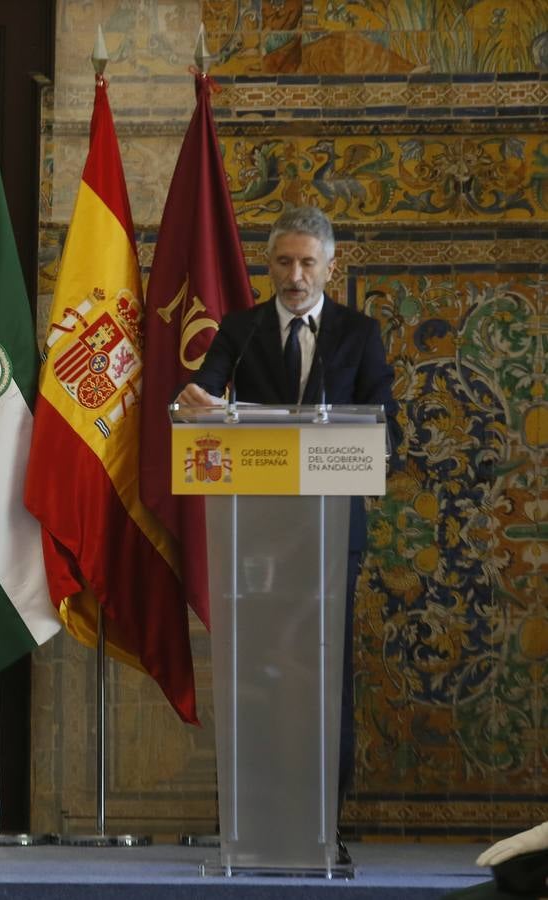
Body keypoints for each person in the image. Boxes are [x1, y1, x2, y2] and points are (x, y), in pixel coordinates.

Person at [175, 205, 402, 857]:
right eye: (283, 262)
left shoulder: (359, 334)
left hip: (330, 534)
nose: (296, 275)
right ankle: (252, 821)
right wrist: (197, 400)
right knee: (256, 674)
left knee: (323, 675)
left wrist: (373, 440)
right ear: (267, 266)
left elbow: (385, 424)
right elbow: (204, 395)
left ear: (331, 266)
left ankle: (321, 825)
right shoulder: (240, 329)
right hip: (254, 534)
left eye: (308, 262)